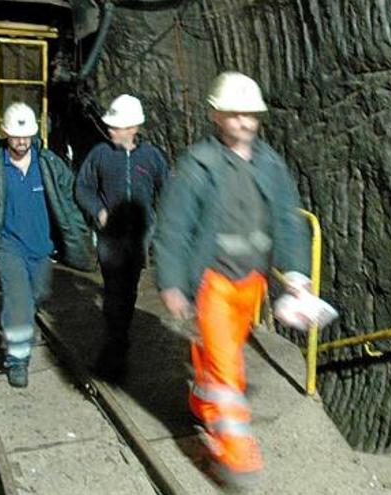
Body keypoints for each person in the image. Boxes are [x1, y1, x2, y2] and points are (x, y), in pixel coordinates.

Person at [153, 72, 311, 484]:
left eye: (250, 115)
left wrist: (296, 274)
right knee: (228, 370)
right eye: (234, 114)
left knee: (217, 356)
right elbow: (174, 227)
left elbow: (287, 220)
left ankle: (202, 403)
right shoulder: (197, 166)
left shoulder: (270, 164)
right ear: (216, 115)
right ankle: (237, 459)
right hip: (214, 281)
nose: (243, 122)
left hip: (252, 282)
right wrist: (171, 282)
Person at [0, 102, 92, 388]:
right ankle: (17, 360)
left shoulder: (50, 166)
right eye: (16, 136)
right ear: (5, 133)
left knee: (37, 295)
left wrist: (83, 233)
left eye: (26, 136)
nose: (21, 141)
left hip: (42, 249)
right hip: (9, 247)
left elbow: (71, 202)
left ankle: (23, 326)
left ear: (34, 134)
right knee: (18, 302)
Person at [75, 94, 168, 378]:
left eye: (116, 126)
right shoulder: (100, 155)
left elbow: (168, 191)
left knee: (127, 291)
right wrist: (98, 211)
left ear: (133, 128)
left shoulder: (152, 158)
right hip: (110, 238)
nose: (110, 130)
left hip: (139, 238)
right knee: (115, 291)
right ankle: (116, 350)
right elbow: (83, 188)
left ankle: (118, 339)